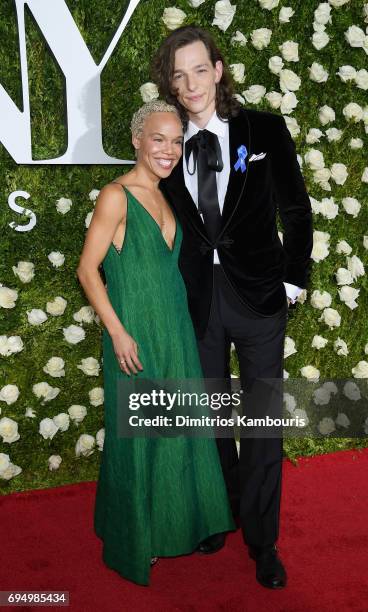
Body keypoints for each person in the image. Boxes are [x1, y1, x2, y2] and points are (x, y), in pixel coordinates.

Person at [152, 26, 313, 589]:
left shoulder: (264, 128)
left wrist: (294, 279)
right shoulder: (166, 146)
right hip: (197, 303)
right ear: (170, 85)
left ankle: (263, 541)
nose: (191, 83)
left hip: (259, 296)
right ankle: (223, 513)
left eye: (199, 69)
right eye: (179, 74)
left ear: (218, 70)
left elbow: (295, 208)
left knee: (261, 421)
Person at [76, 100, 235, 586]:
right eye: (157, 139)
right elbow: (87, 269)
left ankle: (177, 525)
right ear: (137, 140)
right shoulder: (115, 196)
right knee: (140, 439)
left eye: (174, 141)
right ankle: (134, 538)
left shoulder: (168, 197)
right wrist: (118, 330)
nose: (167, 150)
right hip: (136, 336)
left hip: (176, 333)